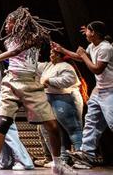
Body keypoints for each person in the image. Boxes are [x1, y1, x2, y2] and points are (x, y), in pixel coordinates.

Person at [0, 6, 74, 175]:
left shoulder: (34, 38)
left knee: (52, 125)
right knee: (3, 121)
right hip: (12, 81)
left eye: (9, 22)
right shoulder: (9, 40)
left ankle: (57, 163)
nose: (6, 25)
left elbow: (17, 51)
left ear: (20, 23)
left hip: (31, 83)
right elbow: (13, 51)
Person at [52, 21, 113, 169]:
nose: (85, 33)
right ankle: (87, 154)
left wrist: (83, 55)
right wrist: (62, 49)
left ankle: (87, 153)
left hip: (110, 91)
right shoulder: (93, 46)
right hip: (100, 91)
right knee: (91, 121)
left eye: (88, 31)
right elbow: (80, 58)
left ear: (94, 33)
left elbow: (97, 69)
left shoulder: (105, 47)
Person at [36, 46, 84, 166]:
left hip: (64, 98)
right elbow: (35, 66)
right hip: (52, 98)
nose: (50, 55)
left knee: (73, 129)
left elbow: (68, 80)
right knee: (59, 131)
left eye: (52, 53)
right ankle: (64, 158)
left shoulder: (66, 66)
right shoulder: (50, 66)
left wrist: (48, 81)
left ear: (58, 55)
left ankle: (82, 158)